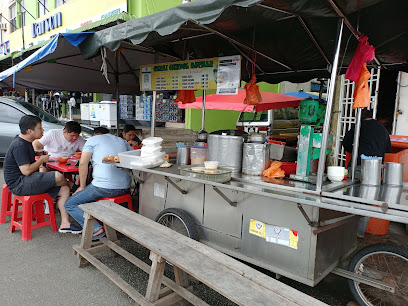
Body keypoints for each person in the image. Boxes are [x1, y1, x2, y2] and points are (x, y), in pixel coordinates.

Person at [3, 115, 81, 234]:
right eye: (40, 128)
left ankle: (65, 224)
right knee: (58, 176)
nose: (43, 130)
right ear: (30, 131)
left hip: (27, 180)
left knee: (64, 189)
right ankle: (74, 187)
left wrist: (37, 153)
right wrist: (41, 160)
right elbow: (26, 171)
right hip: (19, 183)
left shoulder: (25, 141)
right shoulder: (19, 145)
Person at [65, 127, 133, 240]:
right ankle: (115, 222)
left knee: (70, 204)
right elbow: (133, 155)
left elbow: (83, 164)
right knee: (90, 196)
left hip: (104, 187)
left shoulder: (93, 140)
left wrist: (82, 186)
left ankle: (96, 229)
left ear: (94, 135)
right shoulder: (121, 140)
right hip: (125, 187)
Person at [342, 109, 391, 237]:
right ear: (371, 116)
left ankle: (347, 232)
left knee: (350, 198)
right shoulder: (383, 130)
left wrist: (355, 149)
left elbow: (345, 144)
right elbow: (387, 149)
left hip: (359, 165)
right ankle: (359, 232)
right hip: (375, 169)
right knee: (367, 201)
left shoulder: (358, 127)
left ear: (359, 118)